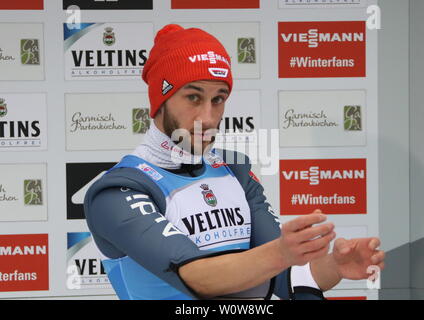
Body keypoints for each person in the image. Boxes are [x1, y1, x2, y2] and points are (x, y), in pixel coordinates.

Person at [83, 24, 385, 300]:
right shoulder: (116, 192)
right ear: (160, 100)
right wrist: (282, 252)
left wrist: (334, 266)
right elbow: (197, 277)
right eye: (193, 97)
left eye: (218, 99)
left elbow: (286, 278)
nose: (208, 118)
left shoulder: (234, 171)